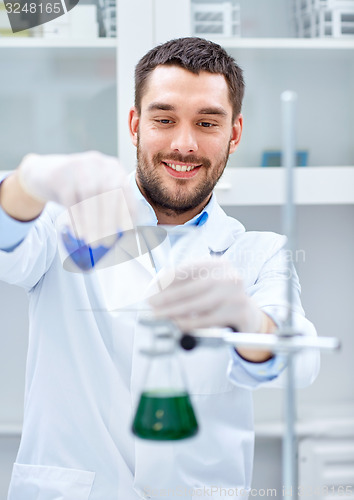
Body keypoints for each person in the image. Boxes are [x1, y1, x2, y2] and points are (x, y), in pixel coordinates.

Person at [0, 37, 319, 500]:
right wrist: (25, 185)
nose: (184, 144)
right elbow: (9, 242)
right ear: (135, 125)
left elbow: (300, 360)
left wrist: (249, 323)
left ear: (235, 132)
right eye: (164, 119)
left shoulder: (259, 252)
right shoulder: (65, 222)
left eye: (207, 122)